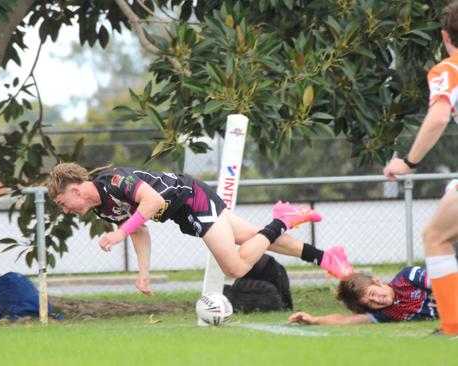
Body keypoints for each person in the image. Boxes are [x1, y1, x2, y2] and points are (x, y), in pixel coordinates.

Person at [46, 163, 354, 296]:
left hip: (193, 198)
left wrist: (119, 233)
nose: (66, 210)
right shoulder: (102, 207)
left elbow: (150, 201)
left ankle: (283, 219)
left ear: (74, 189)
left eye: (62, 203)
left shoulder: (114, 181)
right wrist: (143, 271)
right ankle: (329, 259)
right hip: (185, 212)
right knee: (255, 240)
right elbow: (140, 229)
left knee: (234, 266)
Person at [382, 2, 458, 336]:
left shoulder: (448, 68)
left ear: (444, 35)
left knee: (436, 237)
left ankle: (453, 326)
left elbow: (439, 115)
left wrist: (408, 162)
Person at [288, 266, 437, 325]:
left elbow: (447, 280)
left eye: (373, 293)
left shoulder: (407, 277)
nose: (377, 300)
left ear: (377, 282)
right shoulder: (382, 313)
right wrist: (314, 320)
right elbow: (345, 320)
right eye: (371, 303)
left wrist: (449, 298)